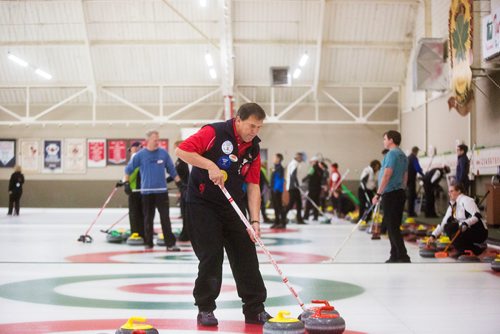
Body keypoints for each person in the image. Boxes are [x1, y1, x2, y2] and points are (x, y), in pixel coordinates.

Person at [175, 103, 271, 327]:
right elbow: (182, 150)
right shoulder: (214, 132)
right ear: (238, 120)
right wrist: (209, 165)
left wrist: (254, 221)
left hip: (233, 205)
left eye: (258, 127)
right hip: (203, 204)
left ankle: (255, 309)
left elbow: (254, 185)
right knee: (212, 255)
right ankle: (205, 308)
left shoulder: (253, 148)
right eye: (251, 125)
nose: (254, 131)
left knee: (246, 254)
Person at [124, 130, 181, 252]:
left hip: (161, 192)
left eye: (158, 140)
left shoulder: (163, 154)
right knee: (148, 218)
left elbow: (172, 170)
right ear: (147, 141)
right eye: (155, 140)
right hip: (147, 193)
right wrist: (126, 183)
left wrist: (180, 183)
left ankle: (170, 244)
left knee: (165, 218)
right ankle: (148, 242)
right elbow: (128, 169)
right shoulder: (140, 155)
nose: (157, 142)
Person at [373, 130, 410, 263]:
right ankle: (394, 255)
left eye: (385, 139)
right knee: (393, 225)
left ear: (391, 140)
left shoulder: (391, 155)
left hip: (390, 194)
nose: (384, 141)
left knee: (391, 226)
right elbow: (405, 177)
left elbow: (387, 175)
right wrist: (401, 190)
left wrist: (378, 193)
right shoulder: (403, 155)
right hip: (399, 193)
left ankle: (403, 255)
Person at [428, 183, 488, 257]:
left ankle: (477, 249)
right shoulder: (452, 205)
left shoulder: (467, 200)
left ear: (459, 191)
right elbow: (443, 223)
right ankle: (465, 249)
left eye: (452, 191)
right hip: (466, 229)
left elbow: (477, 216)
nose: (449, 194)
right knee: (448, 227)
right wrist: (433, 235)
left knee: (456, 235)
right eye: (449, 192)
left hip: (479, 231)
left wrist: (466, 223)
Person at [119, 142, 145, 239]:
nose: (130, 152)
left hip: (135, 190)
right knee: (141, 212)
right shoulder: (142, 157)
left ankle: (136, 232)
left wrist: (124, 182)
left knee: (135, 213)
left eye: (131, 150)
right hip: (139, 190)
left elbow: (132, 173)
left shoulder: (136, 158)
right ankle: (141, 231)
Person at [174, 140, 190, 242]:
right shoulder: (179, 160)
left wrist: (183, 187)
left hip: (186, 189)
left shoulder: (185, 160)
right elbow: (175, 174)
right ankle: (185, 233)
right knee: (184, 213)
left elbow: (187, 175)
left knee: (186, 213)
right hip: (182, 188)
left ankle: (186, 234)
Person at [284, 152, 306, 225]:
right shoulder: (294, 164)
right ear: (297, 157)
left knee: (299, 203)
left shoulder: (296, 163)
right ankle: (282, 216)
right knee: (291, 203)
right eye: (301, 157)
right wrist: (296, 184)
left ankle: (299, 219)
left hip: (295, 186)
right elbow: (292, 175)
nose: (302, 159)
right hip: (293, 187)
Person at [303, 156, 324, 222]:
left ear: (315, 162)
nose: (311, 163)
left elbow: (309, 175)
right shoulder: (321, 169)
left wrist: (303, 179)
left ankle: (306, 216)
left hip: (312, 188)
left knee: (309, 202)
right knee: (316, 202)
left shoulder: (313, 168)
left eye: (311, 162)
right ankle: (315, 216)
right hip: (318, 188)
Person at [270, 153, 286, 229]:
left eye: (275, 158)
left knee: (279, 206)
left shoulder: (280, 168)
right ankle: (277, 222)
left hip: (277, 190)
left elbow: (280, 180)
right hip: (273, 189)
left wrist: (276, 189)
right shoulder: (275, 167)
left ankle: (283, 223)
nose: (273, 159)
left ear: (278, 159)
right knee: (275, 207)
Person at [407, 146, 424, 217]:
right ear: (416, 151)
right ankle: (411, 213)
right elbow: (417, 168)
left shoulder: (408, 158)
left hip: (406, 179)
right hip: (411, 179)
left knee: (409, 195)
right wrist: (423, 175)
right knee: (412, 196)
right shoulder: (414, 158)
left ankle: (409, 211)